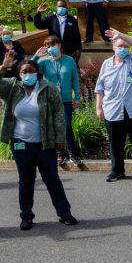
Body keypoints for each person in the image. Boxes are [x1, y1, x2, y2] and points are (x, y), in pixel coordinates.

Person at [0, 54, 78, 231]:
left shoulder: (48, 88)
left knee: (52, 178)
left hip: (45, 144)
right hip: (21, 144)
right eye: (24, 72)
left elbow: (59, 114)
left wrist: (60, 139)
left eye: (31, 71)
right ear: (19, 74)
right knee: (26, 180)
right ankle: (26, 216)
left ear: (37, 73)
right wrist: (2, 67)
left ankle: (64, 213)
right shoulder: (13, 87)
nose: (27, 74)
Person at [95, 28, 132, 182]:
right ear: (113, 47)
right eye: (120, 45)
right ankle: (117, 171)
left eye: (126, 46)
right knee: (115, 144)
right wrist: (98, 108)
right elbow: (99, 88)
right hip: (113, 110)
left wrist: (121, 35)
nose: (123, 49)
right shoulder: (106, 64)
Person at [33, 36, 85, 170]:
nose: (51, 48)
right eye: (48, 46)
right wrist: (36, 57)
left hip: (66, 100)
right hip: (51, 100)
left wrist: (77, 97)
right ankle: (61, 154)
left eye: (53, 45)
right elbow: (30, 69)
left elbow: (74, 79)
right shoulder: (44, 62)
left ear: (59, 45)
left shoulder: (70, 60)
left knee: (67, 126)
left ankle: (73, 153)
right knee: (54, 127)